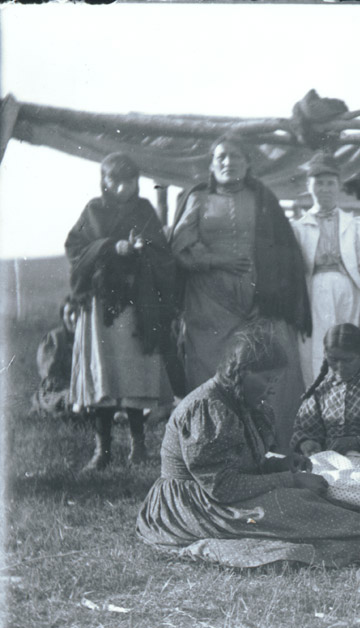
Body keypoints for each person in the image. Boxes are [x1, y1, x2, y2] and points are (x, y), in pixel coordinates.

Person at [136, 321, 360, 567]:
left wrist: (280, 464)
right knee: (291, 506)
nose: (272, 389)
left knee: (304, 502)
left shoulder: (238, 400)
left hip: (217, 496)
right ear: (241, 371)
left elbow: (239, 463)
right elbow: (222, 487)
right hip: (193, 506)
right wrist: (290, 479)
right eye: (268, 380)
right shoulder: (207, 408)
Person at [170, 134, 309, 452]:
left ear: (247, 164)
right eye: (221, 157)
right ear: (211, 165)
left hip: (257, 301)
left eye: (236, 157)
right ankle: (209, 447)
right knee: (210, 372)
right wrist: (220, 260)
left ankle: (270, 446)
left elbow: (282, 249)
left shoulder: (262, 199)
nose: (229, 162)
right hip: (209, 302)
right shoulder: (198, 199)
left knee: (271, 366)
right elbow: (180, 248)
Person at [66, 152, 178, 470]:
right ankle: (102, 450)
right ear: (105, 181)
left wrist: (143, 248)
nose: (122, 187)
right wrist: (111, 247)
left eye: (129, 180)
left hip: (134, 304)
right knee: (105, 376)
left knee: (133, 375)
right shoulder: (93, 209)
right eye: (115, 180)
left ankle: (138, 447)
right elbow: (75, 249)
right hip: (100, 304)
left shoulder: (144, 210)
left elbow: (161, 251)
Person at [291, 152, 360, 385]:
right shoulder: (298, 228)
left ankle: (349, 394)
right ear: (309, 185)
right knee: (317, 345)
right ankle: (317, 394)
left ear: (339, 186)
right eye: (319, 183)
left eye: (330, 183)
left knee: (348, 340)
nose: (324, 189)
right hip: (313, 293)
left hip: (348, 291)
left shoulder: (356, 226)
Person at [291, 323, 360, 457]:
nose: (340, 367)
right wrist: (305, 442)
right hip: (329, 461)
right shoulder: (321, 388)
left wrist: (356, 442)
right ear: (325, 354)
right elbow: (302, 429)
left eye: (347, 360)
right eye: (333, 360)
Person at [31, 298, 78, 418]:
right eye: (70, 313)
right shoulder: (55, 339)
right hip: (56, 392)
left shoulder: (89, 340)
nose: (74, 317)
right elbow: (51, 379)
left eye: (78, 313)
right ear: (63, 317)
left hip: (81, 390)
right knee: (71, 399)